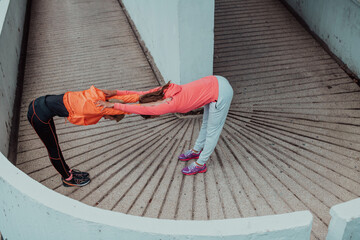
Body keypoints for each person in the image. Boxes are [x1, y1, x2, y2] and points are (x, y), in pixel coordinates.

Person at [97, 75, 233, 175]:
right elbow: (140, 95)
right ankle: (196, 151)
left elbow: (139, 108)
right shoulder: (162, 92)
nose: (155, 115)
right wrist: (115, 93)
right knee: (205, 123)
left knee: (212, 130)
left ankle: (200, 164)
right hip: (214, 82)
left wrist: (113, 104)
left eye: (153, 115)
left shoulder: (167, 104)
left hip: (221, 93)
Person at [27, 86, 139, 187]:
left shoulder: (100, 98)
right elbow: (129, 110)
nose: (106, 119)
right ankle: (68, 179)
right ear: (111, 113)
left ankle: (67, 171)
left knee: (55, 146)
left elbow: (124, 99)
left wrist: (144, 95)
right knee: (53, 149)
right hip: (38, 115)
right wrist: (152, 106)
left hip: (39, 103)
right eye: (111, 118)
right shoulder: (99, 108)